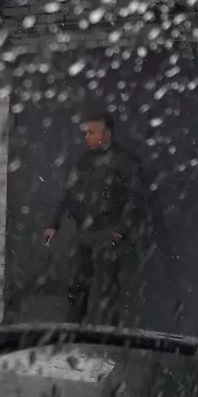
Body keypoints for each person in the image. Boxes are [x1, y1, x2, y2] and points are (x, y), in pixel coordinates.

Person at [43, 113, 140, 326]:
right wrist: (53, 224)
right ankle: (72, 332)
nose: (86, 136)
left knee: (108, 290)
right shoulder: (85, 161)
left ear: (107, 134)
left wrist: (120, 230)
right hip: (85, 232)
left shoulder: (125, 162)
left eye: (91, 132)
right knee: (77, 285)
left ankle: (107, 338)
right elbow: (70, 194)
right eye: (86, 132)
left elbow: (134, 200)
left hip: (108, 232)